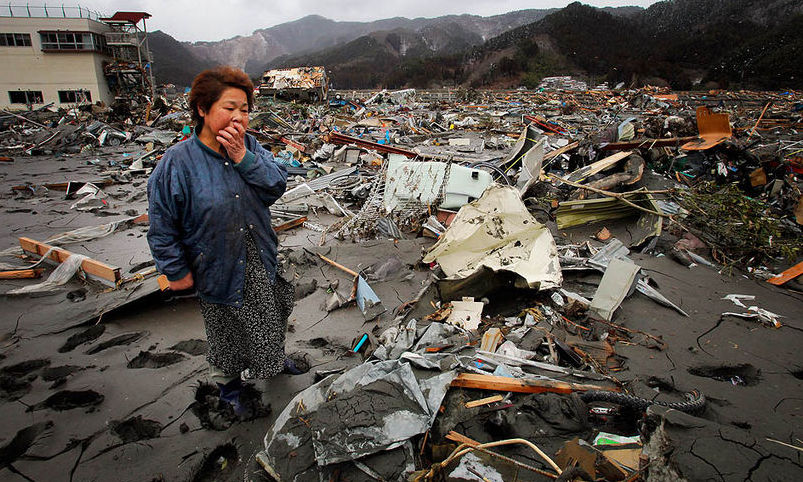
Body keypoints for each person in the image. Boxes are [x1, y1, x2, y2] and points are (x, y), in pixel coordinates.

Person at [147, 66, 301, 412]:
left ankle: (273, 361)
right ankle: (229, 386)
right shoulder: (177, 163)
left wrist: (243, 159)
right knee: (225, 329)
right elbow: (162, 225)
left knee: (272, 313)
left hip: (259, 253)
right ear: (202, 109)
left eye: (244, 110)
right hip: (214, 263)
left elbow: (276, 185)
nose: (239, 118)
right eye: (229, 108)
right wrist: (174, 271)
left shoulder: (250, 146)